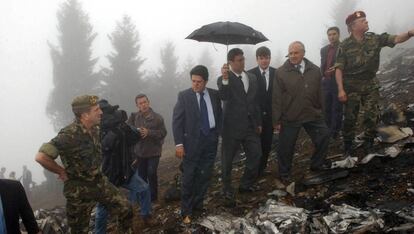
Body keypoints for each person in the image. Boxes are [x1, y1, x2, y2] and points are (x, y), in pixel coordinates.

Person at [35, 95, 132, 234]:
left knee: (125, 210)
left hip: (98, 182)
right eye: (96, 110)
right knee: (79, 231)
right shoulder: (68, 135)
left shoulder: (95, 128)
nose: (101, 112)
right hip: (78, 191)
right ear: (85, 115)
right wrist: (61, 171)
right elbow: (41, 156)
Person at [335, 11, 414, 156]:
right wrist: (340, 90)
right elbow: (339, 68)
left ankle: (369, 143)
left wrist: (409, 33)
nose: (366, 22)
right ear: (353, 26)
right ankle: (347, 146)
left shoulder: (374, 38)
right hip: (351, 86)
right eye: (362, 20)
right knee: (350, 118)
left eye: (365, 19)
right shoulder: (344, 45)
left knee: (372, 115)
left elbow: (395, 38)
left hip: (370, 84)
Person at [272, 41, 331, 183]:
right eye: (290, 53)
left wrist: (322, 111)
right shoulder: (281, 72)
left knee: (324, 136)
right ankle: (284, 173)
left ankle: (317, 164)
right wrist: (277, 120)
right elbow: (276, 98)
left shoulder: (315, 70)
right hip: (291, 116)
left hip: (312, 113)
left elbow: (320, 92)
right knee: (285, 147)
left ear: (303, 53)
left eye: (296, 53)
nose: (292, 56)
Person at [95, 99, 155, 233]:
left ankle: (146, 215)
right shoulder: (96, 129)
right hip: (108, 174)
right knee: (102, 208)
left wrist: (131, 130)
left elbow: (134, 138)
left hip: (125, 170)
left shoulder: (119, 125)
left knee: (144, 189)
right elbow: (104, 147)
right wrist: (115, 131)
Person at [173, 65, 222, 224]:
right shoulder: (184, 96)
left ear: (206, 81)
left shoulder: (214, 94)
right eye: (193, 81)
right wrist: (179, 144)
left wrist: (217, 134)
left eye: (199, 82)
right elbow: (177, 121)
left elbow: (219, 115)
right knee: (189, 177)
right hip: (191, 144)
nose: (195, 84)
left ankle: (198, 204)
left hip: (210, 141)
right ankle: (186, 211)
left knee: (205, 175)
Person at [217, 48, 262, 205]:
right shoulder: (224, 79)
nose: (243, 62)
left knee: (256, 154)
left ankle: (245, 184)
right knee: (227, 161)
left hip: (250, 125)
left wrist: (258, 122)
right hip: (231, 128)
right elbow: (224, 96)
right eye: (239, 60)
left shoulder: (252, 77)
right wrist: (224, 78)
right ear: (230, 62)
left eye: (243, 59)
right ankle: (227, 188)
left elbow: (254, 102)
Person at [127, 94, 167, 202]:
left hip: (154, 151)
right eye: (140, 103)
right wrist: (136, 132)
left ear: (148, 102)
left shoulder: (158, 117)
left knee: (151, 173)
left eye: (145, 102)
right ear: (137, 105)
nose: (143, 105)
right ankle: (144, 199)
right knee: (142, 176)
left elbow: (163, 133)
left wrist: (149, 132)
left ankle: (154, 198)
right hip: (139, 152)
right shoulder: (134, 117)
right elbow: (127, 131)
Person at [248, 46, 277, 176]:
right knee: (254, 147)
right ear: (257, 59)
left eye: (266, 58)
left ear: (270, 58)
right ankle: (253, 171)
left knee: (266, 145)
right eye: (261, 58)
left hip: (270, 117)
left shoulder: (277, 73)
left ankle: (261, 170)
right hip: (255, 118)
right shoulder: (249, 74)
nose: (264, 61)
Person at [321, 27, 343, 139]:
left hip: (338, 82)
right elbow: (323, 65)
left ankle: (335, 132)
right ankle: (327, 130)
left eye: (334, 34)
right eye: (329, 35)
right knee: (326, 107)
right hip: (326, 82)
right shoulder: (324, 49)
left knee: (337, 108)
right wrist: (323, 77)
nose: (331, 37)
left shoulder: (343, 47)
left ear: (338, 35)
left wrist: (337, 70)